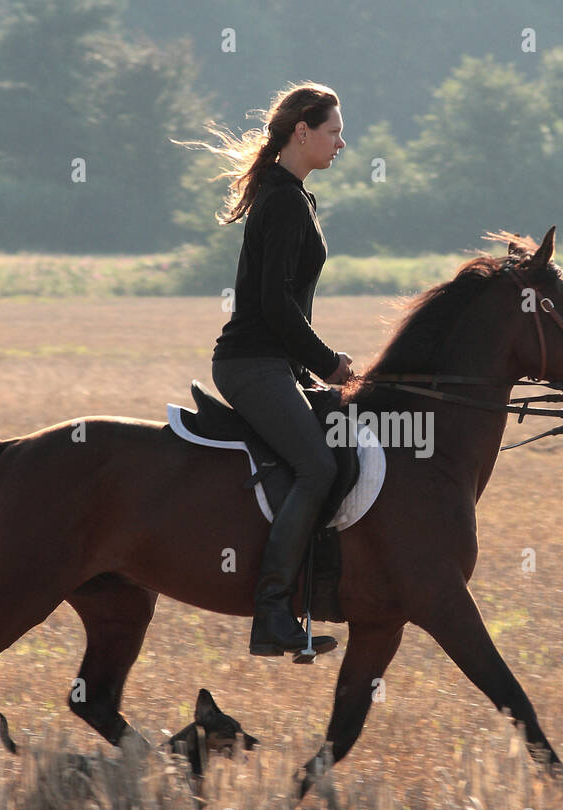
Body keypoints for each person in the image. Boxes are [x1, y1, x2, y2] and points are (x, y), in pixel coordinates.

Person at [176, 83, 352, 657]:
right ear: (302, 131)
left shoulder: (294, 195)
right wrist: (328, 363)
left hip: (276, 362)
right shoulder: (281, 200)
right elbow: (275, 308)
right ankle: (272, 612)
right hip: (253, 364)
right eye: (332, 132)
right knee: (317, 468)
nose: (341, 143)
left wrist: (313, 367)